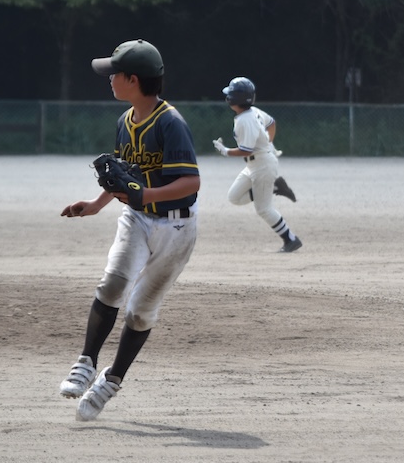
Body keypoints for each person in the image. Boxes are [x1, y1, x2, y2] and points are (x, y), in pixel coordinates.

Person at [58, 39, 200, 421]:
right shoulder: (124, 122)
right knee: (113, 283)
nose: (110, 79)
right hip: (136, 218)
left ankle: (111, 380)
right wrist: (97, 203)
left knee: (140, 312)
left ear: (133, 80)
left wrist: (145, 194)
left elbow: (191, 182)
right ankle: (86, 362)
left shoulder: (171, 123)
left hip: (177, 227)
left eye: (114, 74)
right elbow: (123, 176)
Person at [213, 76, 302, 253]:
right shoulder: (252, 112)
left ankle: (291, 239)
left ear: (234, 99)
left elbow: (246, 150)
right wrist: (267, 143)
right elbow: (271, 123)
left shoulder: (245, 120)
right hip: (255, 165)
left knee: (263, 209)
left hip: (263, 165)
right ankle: (274, 187)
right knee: (234, 197)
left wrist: (226, 151)